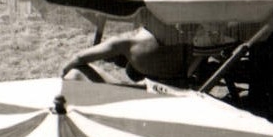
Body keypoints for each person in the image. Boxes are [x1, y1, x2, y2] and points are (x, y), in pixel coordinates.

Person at [62, 28, 193, 86]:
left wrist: (62, 74)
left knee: (75, 73)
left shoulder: (130, 42)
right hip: (179, 96)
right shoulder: (188, 35)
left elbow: (77, 58)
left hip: (142, 99)